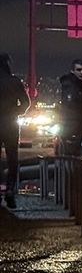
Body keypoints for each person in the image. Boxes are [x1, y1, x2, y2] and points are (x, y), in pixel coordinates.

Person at [0, 53, 31, 208]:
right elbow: (26, 102)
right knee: (12, 159)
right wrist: (17, 111)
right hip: (11, 124)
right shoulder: (14, 82)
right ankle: (10, 190)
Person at [58, 59, 82, 156]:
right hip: (72, 128)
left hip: (75, 128)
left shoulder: (79, 86)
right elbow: (72, 109)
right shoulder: (71, 87)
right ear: (73, 71)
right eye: (79, 70)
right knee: (72, 157)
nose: (81, 72)